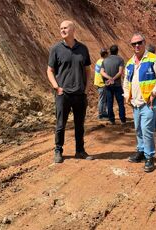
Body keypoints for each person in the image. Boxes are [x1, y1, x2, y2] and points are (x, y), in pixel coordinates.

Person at [47, 20, 94, 163]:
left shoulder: (83, 49)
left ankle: (80, 150)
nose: (62, 30)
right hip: (63, 94)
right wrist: (57, 87)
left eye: (65, 28)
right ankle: (58, 150)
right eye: (61, 28)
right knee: (60, 125)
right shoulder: (56, 49)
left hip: (80, 94)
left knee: (79, 125)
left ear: (73, 30)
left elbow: (87, 70)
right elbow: (50, 70)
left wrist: (86, 88)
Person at [123, 33, 156, 172]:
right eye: (134, 44)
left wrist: (154, 92)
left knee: (147, 130)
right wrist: (126, 95)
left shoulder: (153, 59)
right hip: (135, 103)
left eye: (139, 42)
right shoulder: (130, 62)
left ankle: (149, 157)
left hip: (148, 103)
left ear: (144, 42)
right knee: (138, 129)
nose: (137, 45)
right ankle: (141, 151)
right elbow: (126, 81)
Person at [100, 45, 126, 125]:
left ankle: (112, 120)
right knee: (120, 103)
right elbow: (120, 72)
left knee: (109, 103)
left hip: (108, 85)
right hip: (117, 85)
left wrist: (109, 78)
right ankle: (122, 120)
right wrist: (113, 79)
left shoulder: (104, 61)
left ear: (110, 51)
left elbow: (101, 72)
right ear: (117, 51)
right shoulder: (120, 59)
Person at [94, 48, 109, 120]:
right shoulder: (104, 62)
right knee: (102, 99)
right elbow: (104, 73)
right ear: (105, 54)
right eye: (107, 53)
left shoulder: (98, 61)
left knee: (103, 99)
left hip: (98, 82)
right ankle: (101, 115)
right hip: (101, 83)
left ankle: (104, 113)